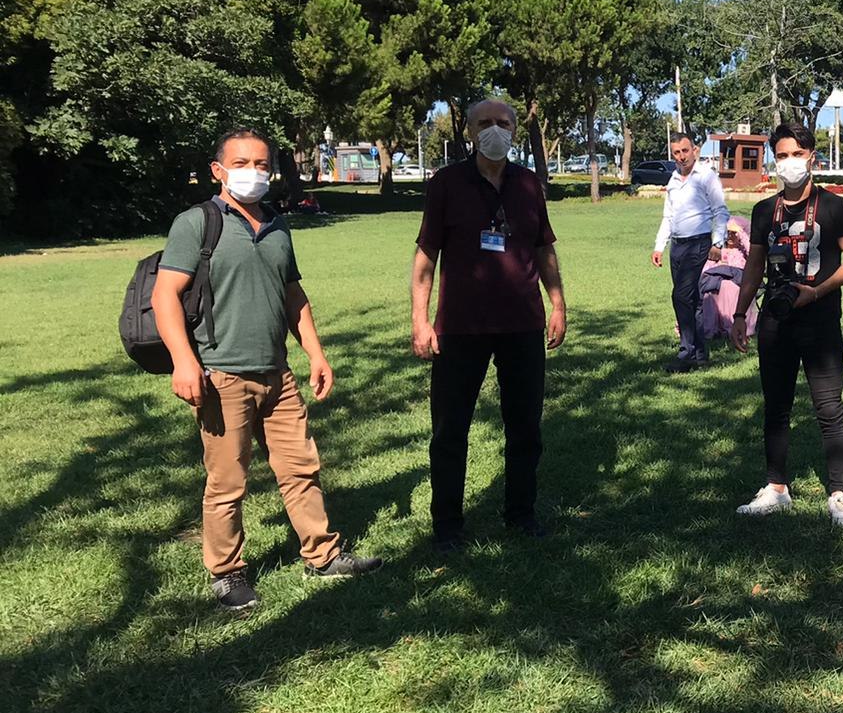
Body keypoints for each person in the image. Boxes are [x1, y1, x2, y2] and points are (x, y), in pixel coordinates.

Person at [153, 129, 382, 612]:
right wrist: (184, 361)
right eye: (241, 163)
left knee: (301, 468)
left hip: (278, 374)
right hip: (221, 375)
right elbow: (165, 295)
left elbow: (293, 295)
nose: (253, 173)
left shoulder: (278, 224)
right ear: (217, 170)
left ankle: (322, 555)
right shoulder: (197, 224)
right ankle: (227, 573)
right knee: (227, 482)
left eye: (261, 164)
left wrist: (316, 354)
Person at [411, 100, 567, 555]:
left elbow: (544, 248)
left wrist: (557, 303)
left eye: (503, 123)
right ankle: (447, 526)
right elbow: (426, 255)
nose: (494, 130)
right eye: (485, 123)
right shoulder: (446, 184)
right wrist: (420, 320)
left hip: (522, 324)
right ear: (469, 131)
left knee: (525, 428)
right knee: (449, 431)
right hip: (460, 327)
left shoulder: (529, 184)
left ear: (515, 130)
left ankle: (521, 513)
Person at [730, 124, 843, 526]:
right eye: (782, 155)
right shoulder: (763, 211)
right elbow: (754, 266)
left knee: (829, 408)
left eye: (797, 154)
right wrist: (740, 314)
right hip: (776, 319)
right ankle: (776, 488)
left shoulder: (834, 207)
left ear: (812, 158)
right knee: (776, 406)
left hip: (819, 320)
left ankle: (838, 494)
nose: (789, 162)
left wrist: (816, 291)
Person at [651, 132, 729, 371]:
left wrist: (717, 243)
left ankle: (686, 354)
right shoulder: (673, 179)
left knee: (680, 296)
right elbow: (668, 216)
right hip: (677, 245)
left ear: (694, 150)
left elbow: (720, 211)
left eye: (685, 150)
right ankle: (700, 354)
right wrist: (659, 245)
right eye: (676, 152)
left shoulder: (706, 176)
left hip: (698, 243)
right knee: (691, 300)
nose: (681, 156)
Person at [697, 216, 752, 344]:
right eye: (727, 233)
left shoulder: (743, 252)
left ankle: (732, 326)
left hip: (738, 281)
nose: (730, 236)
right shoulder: (719, 250)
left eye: (733, 234)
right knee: (712, 290)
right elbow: (706, 270)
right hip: (716, 282)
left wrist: (741, 233)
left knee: (728, 287)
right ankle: (712, 328)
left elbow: (753, 253)